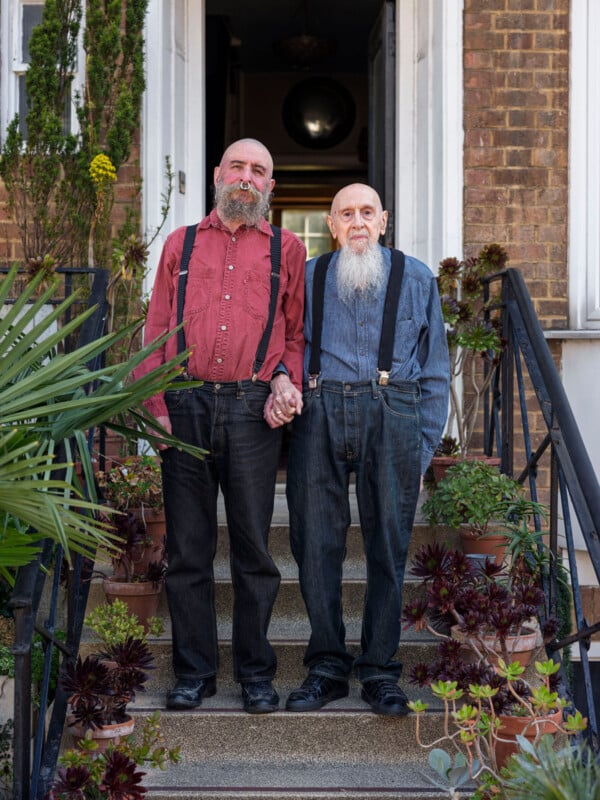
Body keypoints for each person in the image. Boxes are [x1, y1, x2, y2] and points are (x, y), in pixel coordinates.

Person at [137, 138, 305, 714]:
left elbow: (295, 333)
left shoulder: (289, 248)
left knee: (255, 549)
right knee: (188, 549)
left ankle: (256, 674)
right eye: (238, 166)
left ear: (270, 187)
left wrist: (287, 379)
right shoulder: (180, 244)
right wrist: (154, 410)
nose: (247, 178)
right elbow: (155, 330)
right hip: (184, 405)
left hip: (251, 410)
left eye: (259, 170)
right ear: (217, 174)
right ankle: (194, 673)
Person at [283, 183, 449, 716]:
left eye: (367, 213)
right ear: (331, 225)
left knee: (388, 545)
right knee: (314, 546)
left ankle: (380, 670)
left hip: (393, 413)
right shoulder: (306, 278)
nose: (357, 221)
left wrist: (421, 450)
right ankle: (327, 666)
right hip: (319, 410)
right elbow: (282, 350)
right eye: (346, 213)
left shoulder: (417, 277)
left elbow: (435, 372)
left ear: (383, 221)